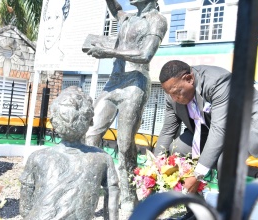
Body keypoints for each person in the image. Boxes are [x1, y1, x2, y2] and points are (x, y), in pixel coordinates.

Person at [83, 0, 167, 212]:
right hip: (114, 81)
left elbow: (146, 54)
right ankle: (104, 183)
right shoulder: (128, 18)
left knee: (125, 143)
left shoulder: (157, 20)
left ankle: (129, 196)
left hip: (135, 82)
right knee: (91, 134)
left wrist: (109, 52)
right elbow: (116, 9)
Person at [154, 60, 258, 194]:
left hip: (248, 123)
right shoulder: (172, 93)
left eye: (177, 92)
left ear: (189, 79)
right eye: (170, 94)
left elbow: (219, 130)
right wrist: (154, 167)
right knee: (178, 149)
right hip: (213, 126)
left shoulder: (217, 82)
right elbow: (167, 131)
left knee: (227, 161)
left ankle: (226, 207)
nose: (174, 98)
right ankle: (194, 207)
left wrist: (197, 175)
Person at [19, 86, 120, 220]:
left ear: (53, 122)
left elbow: (25, 209)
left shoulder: (37, 157)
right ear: (91, 121)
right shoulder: (103, 159)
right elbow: (112, 208)